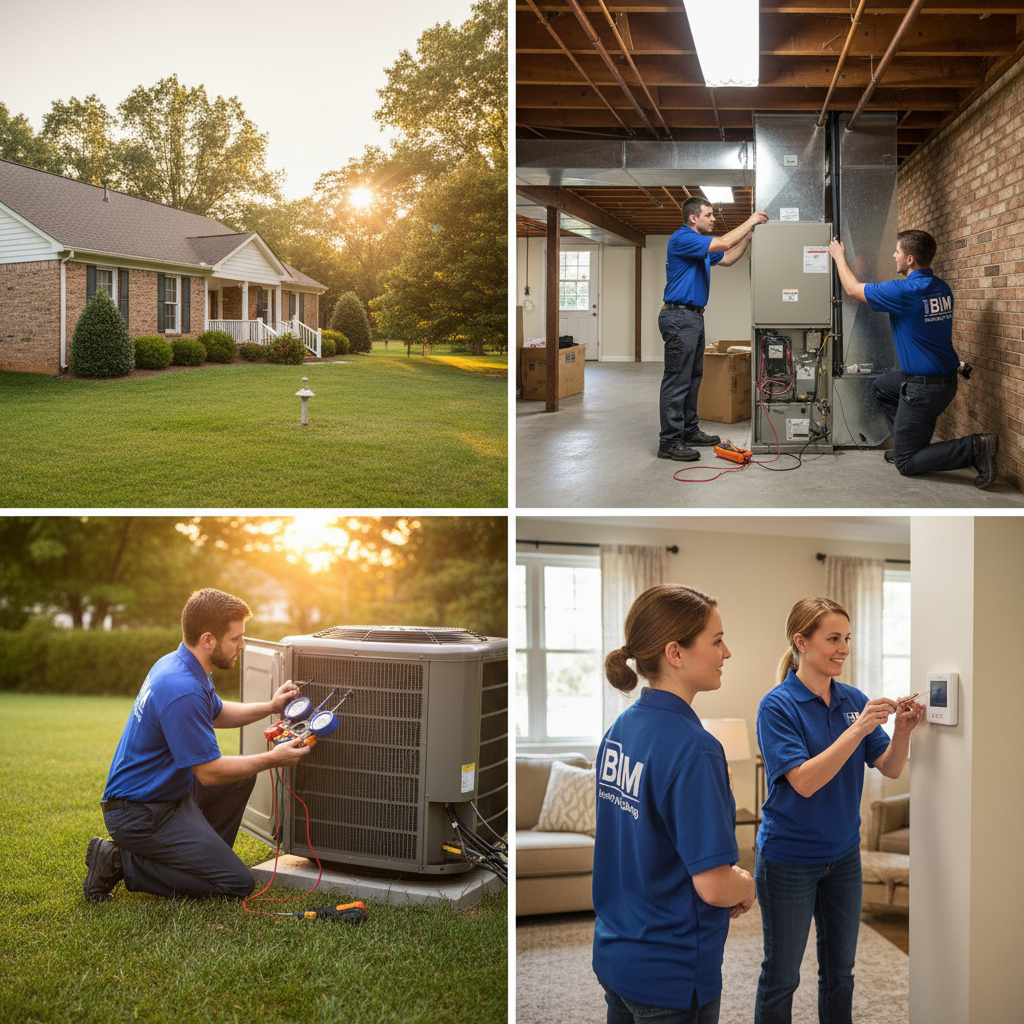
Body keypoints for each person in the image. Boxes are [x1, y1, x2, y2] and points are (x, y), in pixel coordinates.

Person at [754, 597, 925, 1024]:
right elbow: (805, 782)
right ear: (801, 642)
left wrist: (901, 730)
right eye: (833, 638)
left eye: (846, 638)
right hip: (788, 859)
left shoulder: (854, 699)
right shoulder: (777, 706)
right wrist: (860, 726)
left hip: (844, 856)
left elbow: (889, 766)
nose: (843, 648)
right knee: (781, 977)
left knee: (840, 974)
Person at [593, 584, 756, 1024]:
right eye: (717, 640)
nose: (727, 653)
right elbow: (715, 886)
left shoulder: (619, 729)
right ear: (675, 653)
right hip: (671, 975)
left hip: (616, 957)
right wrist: (746, 883)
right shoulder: (695, 749)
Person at [83, 588, 310, 902]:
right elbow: (209, 773)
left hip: (167, 794)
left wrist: (271, 706)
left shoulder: (180, 664)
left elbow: (217, 711)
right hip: (140, 813)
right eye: (236, 638)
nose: (242, 645)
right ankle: (119, 860)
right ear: (208, 640)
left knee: (242, 776)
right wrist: (274, 758)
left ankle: (199, 864)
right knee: (236, 885)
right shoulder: (182, 688)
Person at [828, 230, 998, 488]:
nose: (893, 255)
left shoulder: (904, 291)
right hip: (942, 380)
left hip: (924, 388)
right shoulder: (941, 288)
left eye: (897, 251)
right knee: (882, 386)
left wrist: (839, 256)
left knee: (905, 464)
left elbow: (852, 289)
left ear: (909, 260)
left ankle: (973, 447)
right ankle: (907, 441)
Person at [658, 198, 769, 462]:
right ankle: (669, 441)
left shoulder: (700, 247)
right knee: (677, 380)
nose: (713, 219)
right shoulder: (683, 238)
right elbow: (723, 243)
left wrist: (748, 237)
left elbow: (728, 257)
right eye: (708, 215)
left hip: (693, 317)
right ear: (693, 218)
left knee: (693, 377)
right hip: (678, 316)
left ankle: (689, 430)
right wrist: (750, 220)